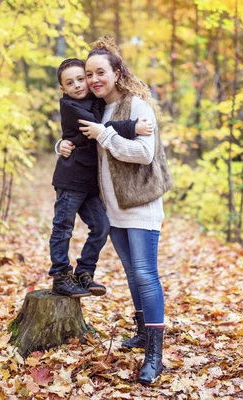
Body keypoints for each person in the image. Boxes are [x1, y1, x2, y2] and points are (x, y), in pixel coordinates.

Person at [58, 37, 173, 385]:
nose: (93, 79)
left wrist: (105, 136)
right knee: (130, 272)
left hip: (140, 204)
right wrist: (60, 143)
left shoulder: (137, 105)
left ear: (117, 72)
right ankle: (142, 333)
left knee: (144, 272)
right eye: (89, 73)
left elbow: (144, 153)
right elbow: (76, 136)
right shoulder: (96, 108)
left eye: (100, 72)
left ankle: (155, 355)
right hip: (113, 206)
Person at [50, 58, 154, 298]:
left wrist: (61, 143)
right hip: (70, 180)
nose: (78, 85)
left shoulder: (93, 100)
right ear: (62, 88)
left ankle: (84, 272)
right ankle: (60, 275)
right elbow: (99, 127)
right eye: (70, 82)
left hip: (89, 184)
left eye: (81, 79)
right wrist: (132, 127)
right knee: (63, 228)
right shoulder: (70, 106)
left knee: (101, 227)